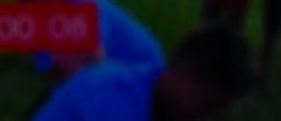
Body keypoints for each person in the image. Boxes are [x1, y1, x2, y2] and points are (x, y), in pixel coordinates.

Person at [34, 21, 252, 120]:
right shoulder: (113, 99)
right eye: (207, 106)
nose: (207, 118)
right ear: (184, 73)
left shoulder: (151, 84)